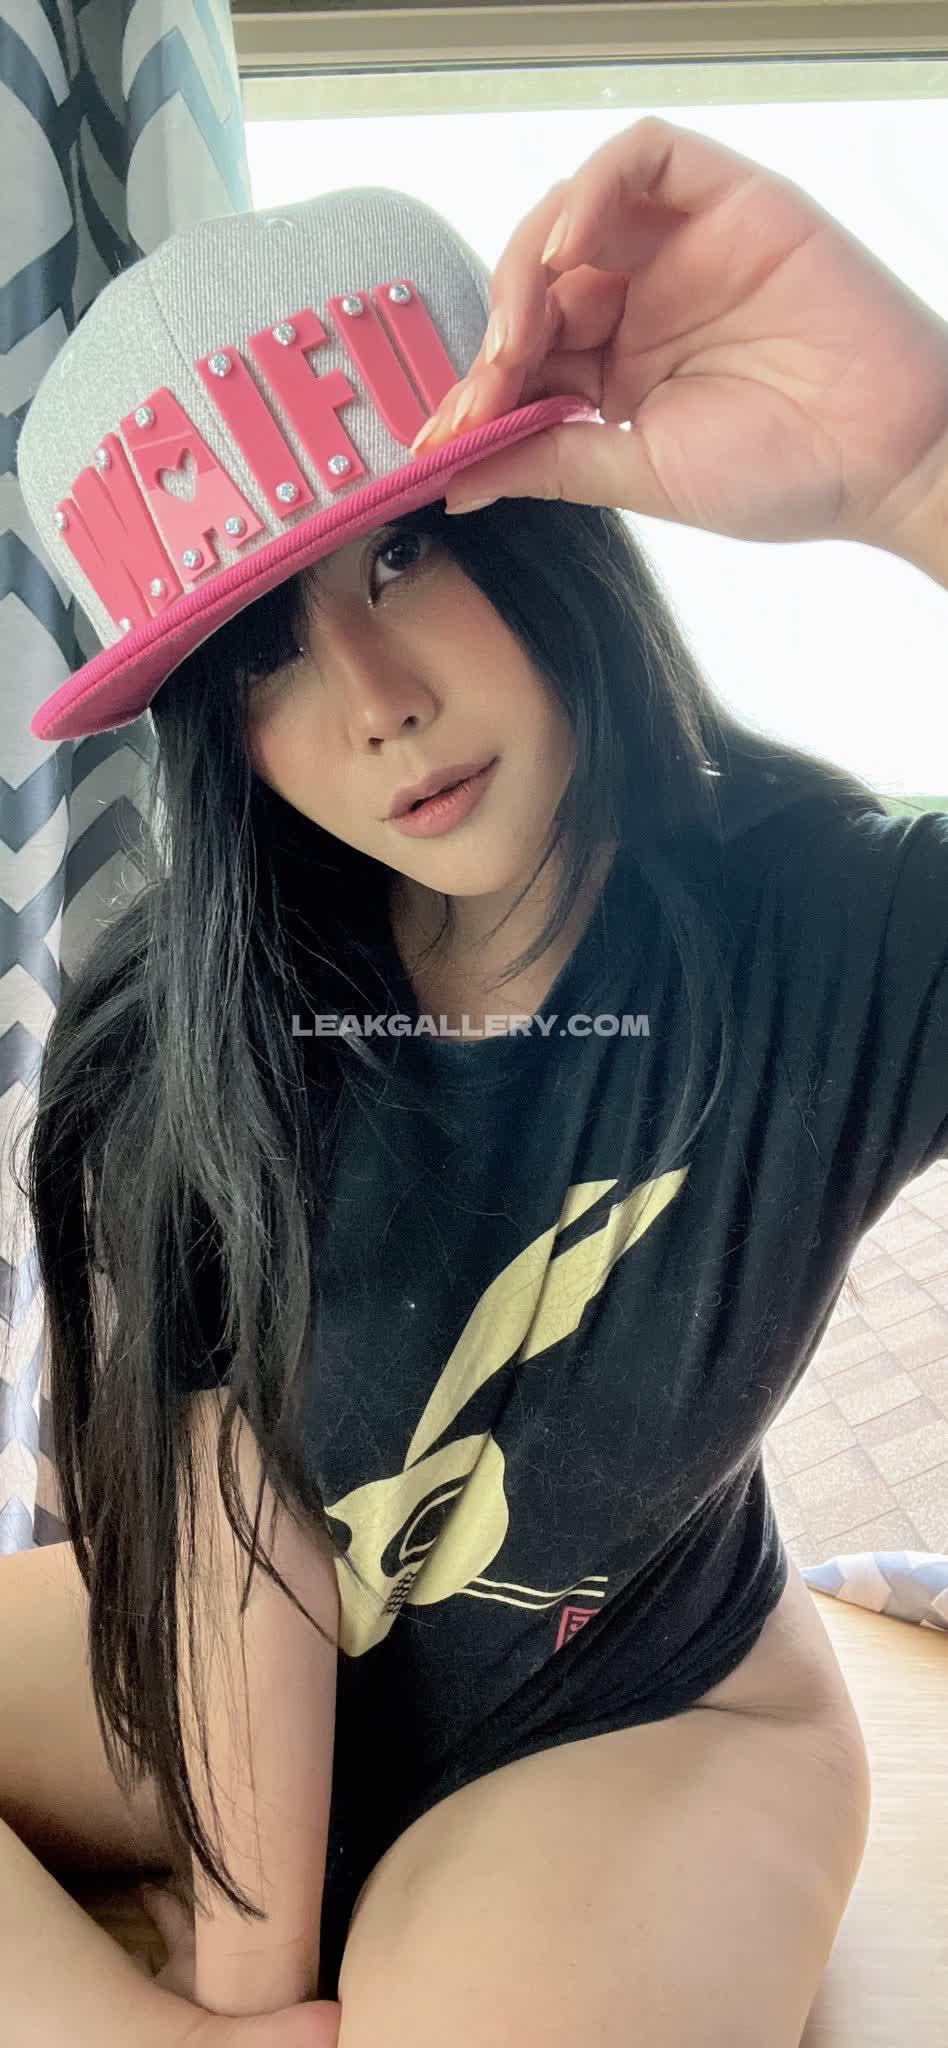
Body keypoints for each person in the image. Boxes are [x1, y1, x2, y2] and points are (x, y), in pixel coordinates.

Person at [4, 114, 948, 2048]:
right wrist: (229, 2000)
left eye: (407, 551)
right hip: (260, 1672)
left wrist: (926, 469)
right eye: (260, 653)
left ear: (540, 516)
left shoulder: (819, 927)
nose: (377, 700)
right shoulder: (180, 1037)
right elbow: (229, 1505)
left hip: (638, 1713)